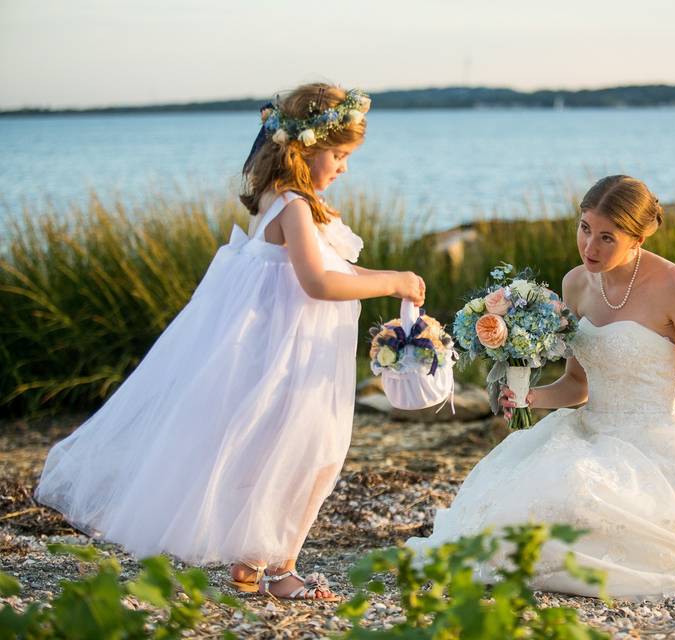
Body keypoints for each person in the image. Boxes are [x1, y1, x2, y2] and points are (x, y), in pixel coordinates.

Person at [34, 82, 426, 601]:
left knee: (273, 448)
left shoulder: (276, 200)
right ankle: (281, 570)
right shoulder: (294, 208)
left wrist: (392, 274)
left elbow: (335, 266)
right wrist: (393, 282)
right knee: (311, 452)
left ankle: (251, 563)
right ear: (304, 149)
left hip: (281, 351)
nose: (345, 167)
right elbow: (319, 283)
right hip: (293, 357)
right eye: (340, 155)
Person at [406, 175, 675, 600]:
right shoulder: (575, 284)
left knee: (598, 510)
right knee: (527, 505)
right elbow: (577, 384)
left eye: (607, 237)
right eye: (585, 228)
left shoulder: (672, 284)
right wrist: (532, 397)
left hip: (654, 439)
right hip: (589, 432)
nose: (590, 247)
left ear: (638, 237)